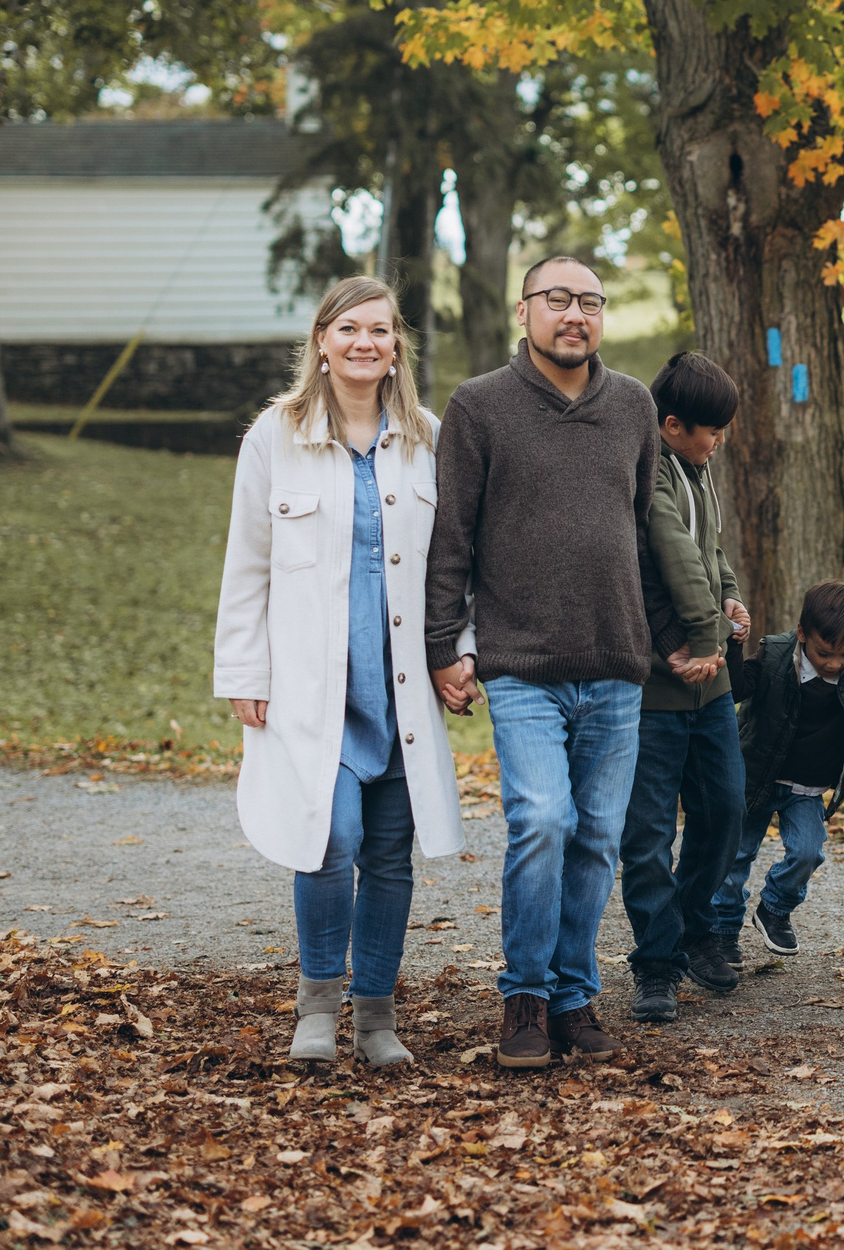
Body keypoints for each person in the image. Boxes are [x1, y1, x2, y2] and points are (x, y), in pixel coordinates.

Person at [214, 275, 468, 1068]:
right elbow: (246, 563)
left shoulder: (426, 436)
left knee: (389, 850)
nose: (366, 343)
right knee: (329, 838)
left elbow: (455, 566)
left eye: (382, 330)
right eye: (349, 328)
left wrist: (460, 649)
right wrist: (243, 670)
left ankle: (377, 1017)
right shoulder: (274, 436)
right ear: (321, 340)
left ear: (398, 347)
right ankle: (317, 1007)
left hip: (399, 692)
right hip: (309, 687)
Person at [426, 254, 667, 1068]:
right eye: (558, 299)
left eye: (591, 301)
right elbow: (450, 536)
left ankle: (573, 995)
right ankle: (524, 997)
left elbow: (641, 529)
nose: (575, 314)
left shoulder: (634, 405)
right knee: (542, 821)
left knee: (599, 835)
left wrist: (681, 627)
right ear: (524, 309)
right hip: (520, 662)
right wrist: (440, 646)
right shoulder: (479, 406)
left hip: (616, 660)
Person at [621, 350, 753, 1024]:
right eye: (710, 429)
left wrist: (729, 601)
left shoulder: (700, 472)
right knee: (647, 831)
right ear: (671, 425)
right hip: (657, 685)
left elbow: (713, 554)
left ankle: (696, 925)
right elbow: (669, 552)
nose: (719, 440)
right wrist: (704, 635)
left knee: (724, 807)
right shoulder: (653, 475)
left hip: (712, 685)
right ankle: (655, 960)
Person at [718, 581, 844, 956]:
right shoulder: (774, 655)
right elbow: (733, 689)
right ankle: (722, 930)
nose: (834, 663)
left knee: (809, 852)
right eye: (824, 653)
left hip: (807, 788)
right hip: (756, 778)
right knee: (733, 859)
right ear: (801, 634)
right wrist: (734, 643)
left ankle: (774, 908)